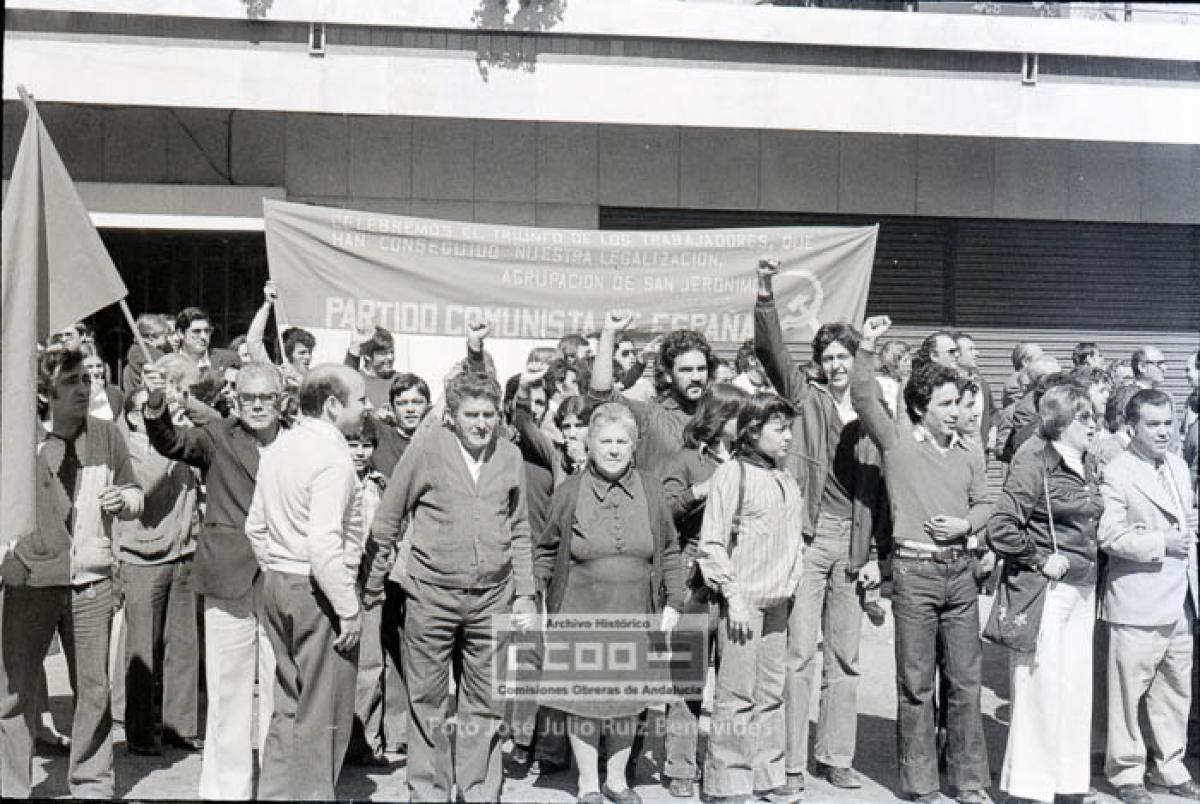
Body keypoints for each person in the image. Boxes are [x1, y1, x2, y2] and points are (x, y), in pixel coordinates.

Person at [363, 371, 538, 802]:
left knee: (485, 704)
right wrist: (372, 582)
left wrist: (526, 593)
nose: (481, 423)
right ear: (452, 416)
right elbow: (387, 518)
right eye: (471, 414)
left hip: (492, 598)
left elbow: (519, 529)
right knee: (429, 701)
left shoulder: (510, 455)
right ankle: (430, 792)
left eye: (489, 415)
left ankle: (479, 790)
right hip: (431, 596)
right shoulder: (427, 448)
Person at [754, 259, 886, 793]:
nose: (835, 366)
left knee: (847, 658)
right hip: (807, 540)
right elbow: (770, 349)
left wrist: (874, 553)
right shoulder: (802, 396)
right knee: (798, 655)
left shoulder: (870, 408)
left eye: (844, 357)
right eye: (828, 358)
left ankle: (837, 755)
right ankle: (789, 765)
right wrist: (764, 293)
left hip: (851, 541)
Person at [851, 315, 992, 804]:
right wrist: (867, 346)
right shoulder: (897, 445)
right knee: (915, 685)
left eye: (959, 403)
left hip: (960, 574)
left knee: (966, 682)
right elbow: (864, 397)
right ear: (920, 406)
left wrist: (967, 525)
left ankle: (969, 782)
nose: (957, 412)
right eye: (946, 404)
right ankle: (922, 784)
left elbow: (985, 503)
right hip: (914, 573)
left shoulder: (970, 452)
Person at [0, 348, 144, 799]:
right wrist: (6, 557)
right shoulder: (18, 441)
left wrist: (126, 500)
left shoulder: (107, 435)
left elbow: (135, 489)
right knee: (14, 692)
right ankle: (11, 784)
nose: (84, 389)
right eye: (72, 383)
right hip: (31, 581)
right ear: (46, 394)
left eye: (87, 380)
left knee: (94, 689)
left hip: (91, 581)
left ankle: (92, 782)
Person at [143, 360, 284, 800]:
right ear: (235, 400)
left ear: (282, 401)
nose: (257, 406)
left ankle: (279, 783)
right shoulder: (218, 436)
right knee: (228, 688)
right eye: (248, 398)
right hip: (228, 574)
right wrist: (155, 404)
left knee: (281, 687)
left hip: (282, 575)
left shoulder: (299, 442)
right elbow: (171, 441)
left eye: (266, 398)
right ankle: (227, 789)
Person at [536, 403, 686, 804]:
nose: (614, 449)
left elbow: (670, 549)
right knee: (584, 701)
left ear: (634, 446)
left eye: (622, 441)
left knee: (627, 701)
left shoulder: (652, 489)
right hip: (579, 608)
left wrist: (674, 599)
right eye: (606, 441)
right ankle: (587, 782)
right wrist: (533, 600)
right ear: (589, 444)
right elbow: (546, 551)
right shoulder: (569, 491)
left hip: (636, 609)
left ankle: (616, 781)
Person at [245, 364, 367, 800]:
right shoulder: (332, 459)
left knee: (286, 703)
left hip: (278, 580)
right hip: (317, 590)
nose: (366, 408)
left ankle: (276, 793)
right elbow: (323, 545)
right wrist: (348, 608)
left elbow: (255, 527)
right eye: (360, 400)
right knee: (322, 710)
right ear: (333, 406)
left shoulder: (278, 447)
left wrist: (278, 565)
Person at [987, 384, 1103, 804]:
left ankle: (1068, 782)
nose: (1094, 425)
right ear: (1061, 421)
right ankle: (1031, 788)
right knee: (1040, 686)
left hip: (1083, 588)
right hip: (1047, 590)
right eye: (1085, 418)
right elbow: (1001, 527)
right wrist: (1040, 559)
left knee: (1074, 688)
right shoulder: (1034, 459)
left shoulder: (1086, 461)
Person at [696, 393, 805, 804]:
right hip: (743, 604)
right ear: (753, 431)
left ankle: (766, 775)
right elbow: (712, 543)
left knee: (771, 694)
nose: (788, 437)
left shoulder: (785, 478)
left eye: (789, 428)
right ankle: (727, 783)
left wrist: (791, 586)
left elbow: (794, 542)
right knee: (736, 695)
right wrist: (734, 598)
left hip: (778, 603)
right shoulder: (732, 475)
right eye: (779, 429)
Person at [1098, 389, 1199, 804]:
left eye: (1168, 423)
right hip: (1138, 598)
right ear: (1131, 427)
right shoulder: (1118, 471)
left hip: (1181, 598)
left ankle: (1170, 766)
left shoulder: (1176, 465)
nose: (1163, 432)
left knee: (1175, 689)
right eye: (1152, 425)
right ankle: (1125, 772)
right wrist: (1161, 542)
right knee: (1127, 692)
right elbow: (1108, 534)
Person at [660, 383, 749, 798]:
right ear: (718, 418)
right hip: (694, 579)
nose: (747, 424)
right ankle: (680, 765)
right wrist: (701, 490)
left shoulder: (751, 461)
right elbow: (664, 511)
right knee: (687, 680)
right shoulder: (687, 459)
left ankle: (723, 771)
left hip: (738, 579)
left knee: (733, 683)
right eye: (739, 416)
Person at [116, 388, 202, 756]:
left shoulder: (179, 447)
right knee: (143, 650)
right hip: (141, 558)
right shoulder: (125, 449)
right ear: (136, 417)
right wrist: (166, 447)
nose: (169, 417)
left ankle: (179, 727)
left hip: (182, 554)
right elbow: (143, 491)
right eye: (155, 411)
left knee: (182, 648)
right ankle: (139, 733)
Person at [590, 313, 715, 478]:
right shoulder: (651, 415)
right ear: (668, 375)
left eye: (701, 369)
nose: (696, 377)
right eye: (686, 370)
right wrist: (608, 334)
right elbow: (602, 396)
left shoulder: (719, 414)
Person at [343, 418, 395, 767]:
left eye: (365, 445)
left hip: (371, 578)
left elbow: (386, 535)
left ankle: (365, 742)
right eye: (353, 444)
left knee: (370, 663)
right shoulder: (335, 479)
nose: (360, 452)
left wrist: (377, 578)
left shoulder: (378, 486)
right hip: (340, 577)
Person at [370, 372, 432, 476]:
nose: (410, 409)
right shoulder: (381, 435)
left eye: (417, 402)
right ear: (392, 408)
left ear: (429, 406)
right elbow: (347, 390)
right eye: (402, 403)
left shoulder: (436, 440)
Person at [175, 306, 240, 380]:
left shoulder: (229, 360)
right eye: (196, 331)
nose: (203, 336)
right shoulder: (167, 364)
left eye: (207, 331)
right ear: (180, 333)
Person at [81, 344, 124, 421]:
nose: (95, 371)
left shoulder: (114, 393)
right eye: (89, 367)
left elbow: (121, 426)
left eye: (99, 366)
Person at [1003, 342, 1044, 408]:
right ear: (1026, 362)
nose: (1043, 362)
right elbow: (1024, 409)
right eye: (1039, 359)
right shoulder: (1016, 383)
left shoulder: (1031, 379)